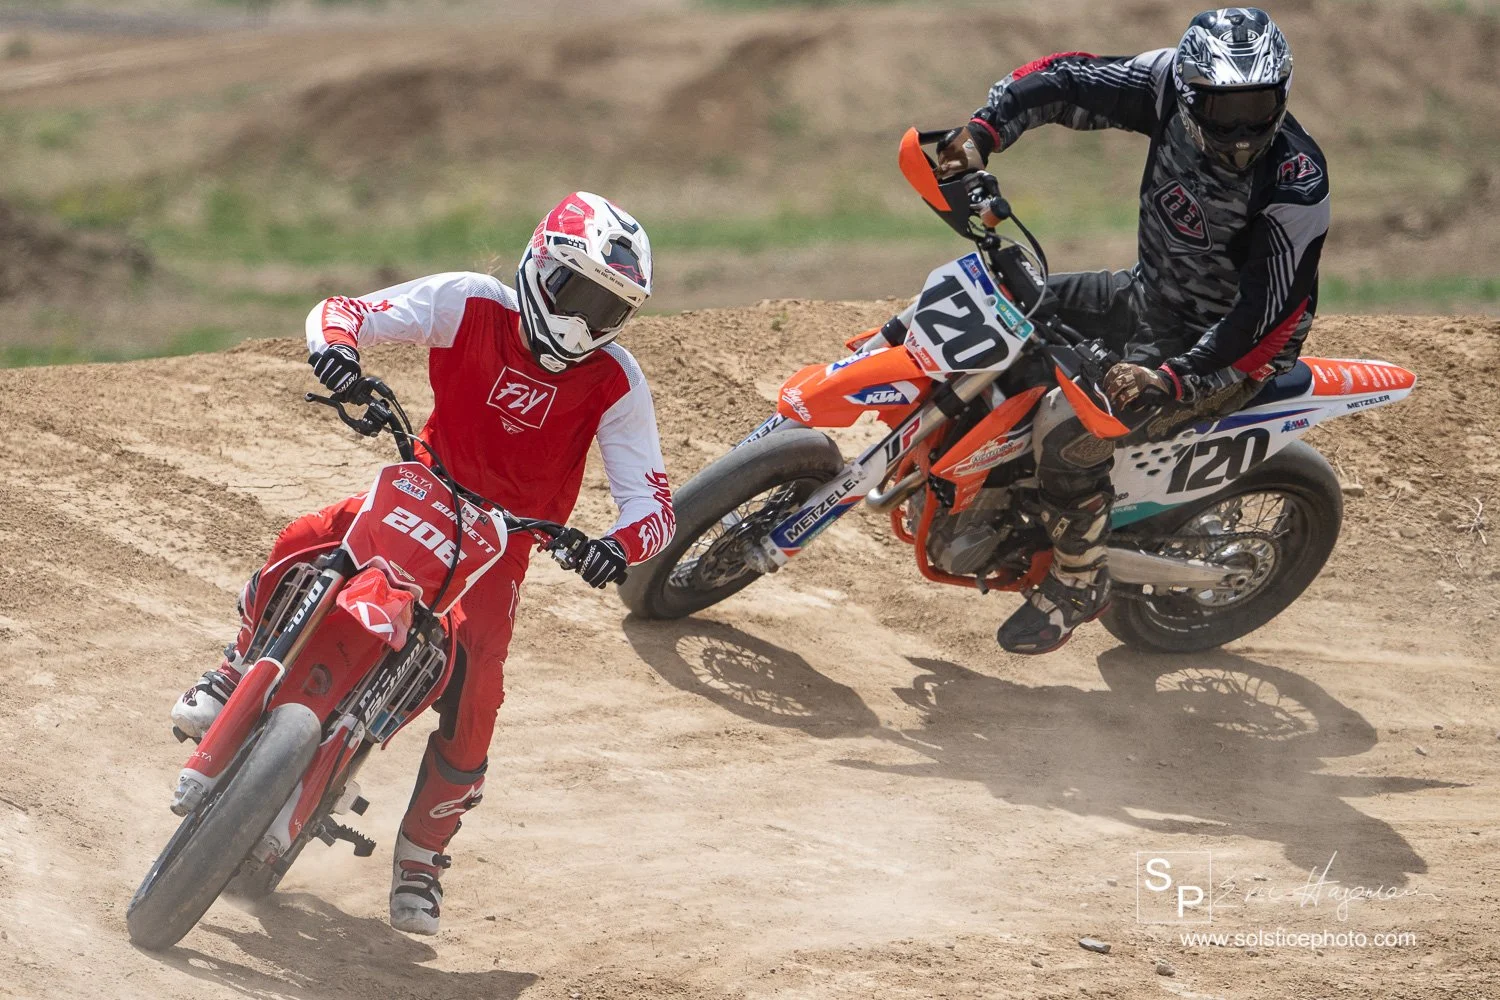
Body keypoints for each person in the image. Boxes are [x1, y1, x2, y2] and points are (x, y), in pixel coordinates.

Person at [169, 191, 675, 934]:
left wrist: (612, 547)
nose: (582, 321)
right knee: (308, 536)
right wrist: (338, 354)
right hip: (422, 485)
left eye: (607, 309)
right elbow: (346, 311)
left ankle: (421, 857)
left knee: (479, 698)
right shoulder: (471, 303)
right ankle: (234, 669)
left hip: (504, 547)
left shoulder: (617, 380)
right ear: (540, 267)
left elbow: (653, 506)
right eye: (577, 293)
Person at [934, 7, 1328, 655]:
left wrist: (1171, 376)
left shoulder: (1296, 185)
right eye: (1224, 108)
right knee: (997, 307)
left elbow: (1265, 316)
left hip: (1228, 352)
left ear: (1282, 94)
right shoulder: (1165, 83)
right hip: (1146, 296)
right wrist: (984, 129)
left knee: (1068, 433)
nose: (1240, 128)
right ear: (1192, 95)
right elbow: (1067, 79)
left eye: (1256, 106)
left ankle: (1078, 579)